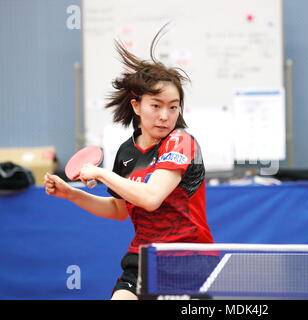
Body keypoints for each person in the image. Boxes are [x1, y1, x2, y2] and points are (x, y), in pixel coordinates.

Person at [44, 29, 215, 300]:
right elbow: (119, 209)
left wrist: (101, 173)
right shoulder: (127, 151)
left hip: (187, 258)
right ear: (137, 106)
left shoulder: (181, 141)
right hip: (142, 257)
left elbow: (150, 198)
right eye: (156, 106)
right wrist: (72, 194)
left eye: (173, 107)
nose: (165, 116)